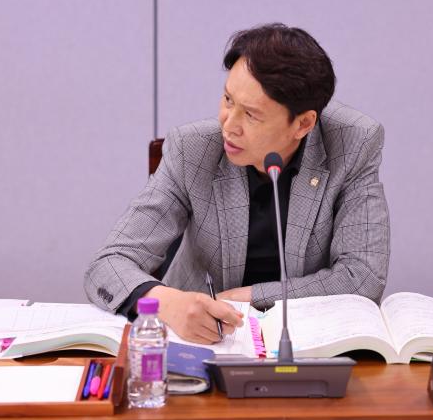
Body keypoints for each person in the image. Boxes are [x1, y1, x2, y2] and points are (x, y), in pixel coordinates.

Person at [84, 23, 390, 344]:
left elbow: (363, 276)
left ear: (303, 124)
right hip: (202, 339)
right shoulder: (193, 150)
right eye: (228, 100)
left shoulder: (353, 143)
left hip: (307, 341)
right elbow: (108, 264)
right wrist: (168, 304)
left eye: (251, 115)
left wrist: (251, 297)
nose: (228, 125)